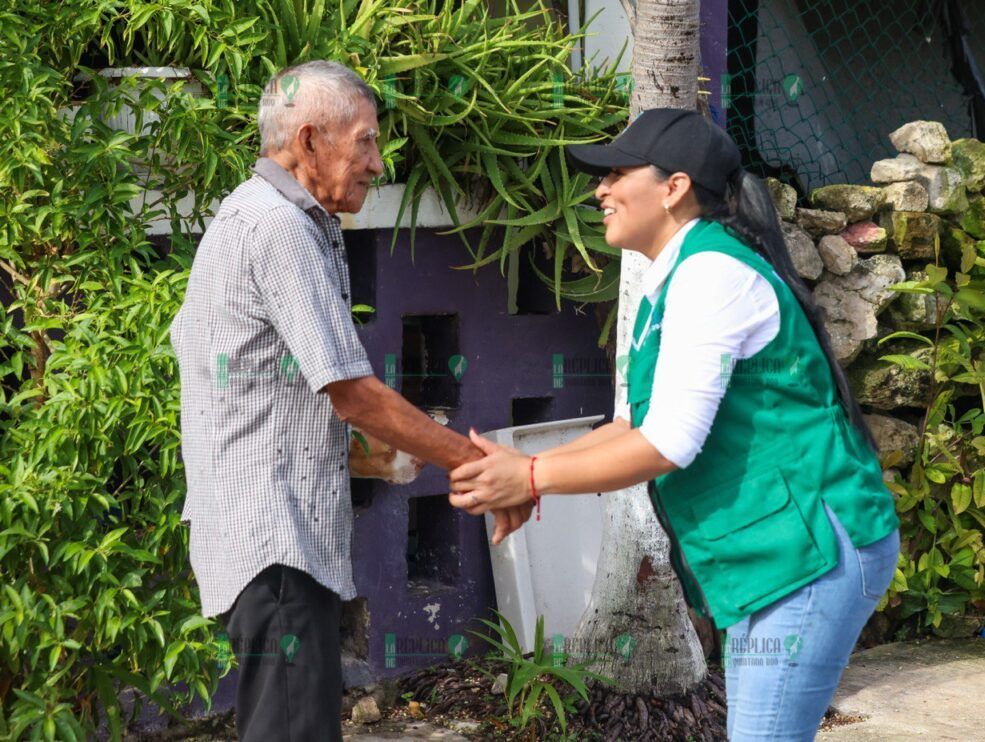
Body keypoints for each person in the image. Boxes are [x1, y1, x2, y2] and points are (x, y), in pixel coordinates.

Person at [448, 108, 900, 740]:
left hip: (810, 553)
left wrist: (529, 475)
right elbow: (634, 425)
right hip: (769, 555)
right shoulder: (676, 279)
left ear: (674, 187)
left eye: (616, 174)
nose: (599, 190)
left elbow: (667, 444)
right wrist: (522, 476)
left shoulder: (712, 274)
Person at [170, 60, 531, 741]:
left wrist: (381, 452)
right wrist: (475, 464)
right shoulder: (276, 227)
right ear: (308, 141)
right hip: (275, 543)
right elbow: (352, 393)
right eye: (364, 141)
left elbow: (288, 396)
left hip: (277, 539)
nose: (377, 160)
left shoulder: (278, 217)